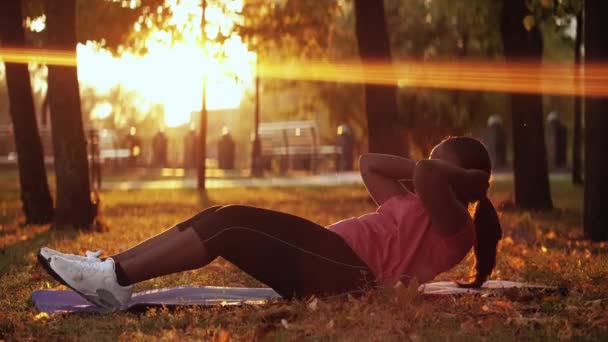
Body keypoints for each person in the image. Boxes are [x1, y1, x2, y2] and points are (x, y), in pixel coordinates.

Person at [38, 136, 502, 311]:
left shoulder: (455, 225)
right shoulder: (414, 202)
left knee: (233, 224)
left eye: (444, 168)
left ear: (461, 182)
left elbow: (424, 172)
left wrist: (456, 177)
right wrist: (440, 169)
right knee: (219, 217)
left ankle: (115, 278)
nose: (428, 168)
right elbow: (369, 164)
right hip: (332, 259)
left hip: (352, 276)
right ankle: (113, 271)